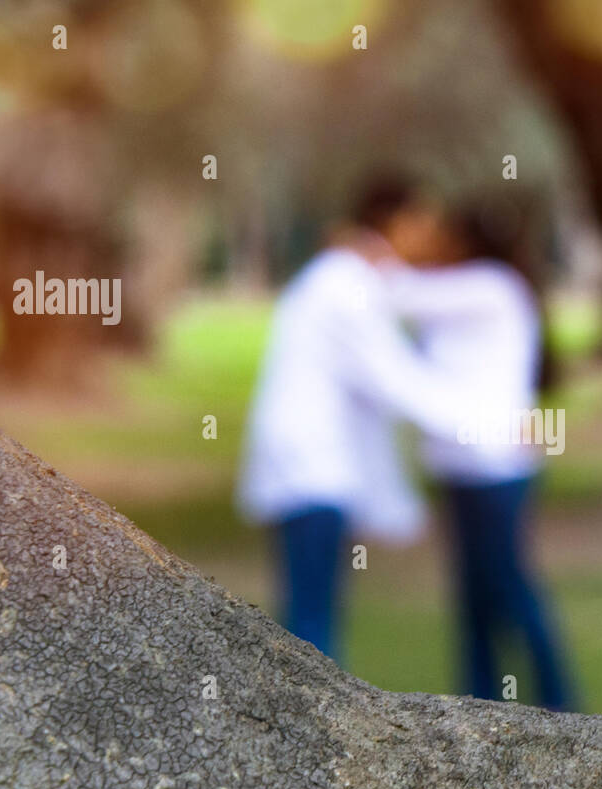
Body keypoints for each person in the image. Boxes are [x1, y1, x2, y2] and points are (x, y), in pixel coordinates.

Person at [235, 176, 463, 662]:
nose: (430, 235)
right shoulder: (347, 286)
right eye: (424, 222)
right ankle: (312, 731)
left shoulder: (341, 275)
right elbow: (396, 380)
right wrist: (492, 425)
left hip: (310, 464)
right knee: (311, 629)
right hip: (310, 468)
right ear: (397, 222)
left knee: (310, 612)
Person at [387, 199, 575, 710]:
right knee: (473, 597)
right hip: (463, 468)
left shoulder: (489, 286)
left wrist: (376, 248)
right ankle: (479, 703)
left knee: (511, 588)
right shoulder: (471, 292)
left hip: (495, 467)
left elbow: (399, 294)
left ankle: (560, 702)